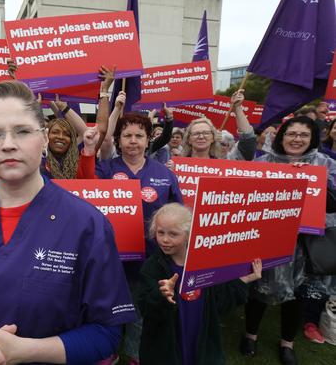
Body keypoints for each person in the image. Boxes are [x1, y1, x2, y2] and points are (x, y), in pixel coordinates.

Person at [0, 81, 136, 364]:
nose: (8, 144)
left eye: (22, 131)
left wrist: (23, 350)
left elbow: (106, 333)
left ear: (43, 137)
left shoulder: (87, 224)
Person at [241, 116, 336, 365]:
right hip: (266, 238)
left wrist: (316, 181)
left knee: (296, 293)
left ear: (313, 138)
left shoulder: (324, 163)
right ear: (282, 136)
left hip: (303, 244)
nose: (297, 139)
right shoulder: (264, 162)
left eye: (304, 135)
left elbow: (333, 204)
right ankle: (250, 335)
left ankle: (287, 343)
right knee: (258, 288)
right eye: (292, 134)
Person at [95, 112, 183, 364]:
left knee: (140, 308)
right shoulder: (105, 170)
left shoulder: (164, 174)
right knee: (108, 306)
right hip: (110, 257)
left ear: (148, 140)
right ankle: (108, 349)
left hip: (150, 258)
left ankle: (135, 353)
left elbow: (179, 213)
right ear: (118, 140)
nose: (133, 141)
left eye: (139, 136)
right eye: (127, 136)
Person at [137, 203, 262, 365]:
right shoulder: (153, 267)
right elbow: (144, 308)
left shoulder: (204, 262)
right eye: (160, 232)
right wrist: (161, 294)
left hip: (201, 340)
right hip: (165, 347)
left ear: (189, 234)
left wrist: (245, 279)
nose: (165, 239)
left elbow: (220, 304)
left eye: (173, 234)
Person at [180, 90, 256, 161]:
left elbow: (248, 139)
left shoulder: (223, 164)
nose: (201, 136)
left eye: (206, 133)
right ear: (188, 139)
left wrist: (237, 107)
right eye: (196, 133)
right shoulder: (176, 165)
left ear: (213, 138)